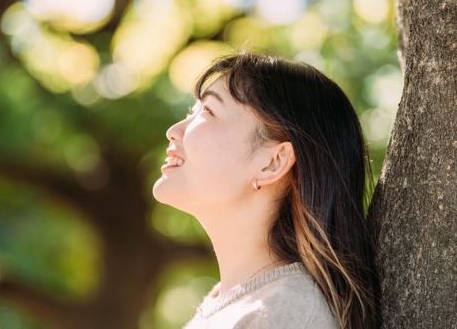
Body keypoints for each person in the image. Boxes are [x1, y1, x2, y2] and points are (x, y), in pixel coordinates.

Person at [153, 52, 379, 328]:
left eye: (209, 111)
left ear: (273, 163)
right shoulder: (241, 305)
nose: (174, 131)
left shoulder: (285, 312)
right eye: (193, 112)